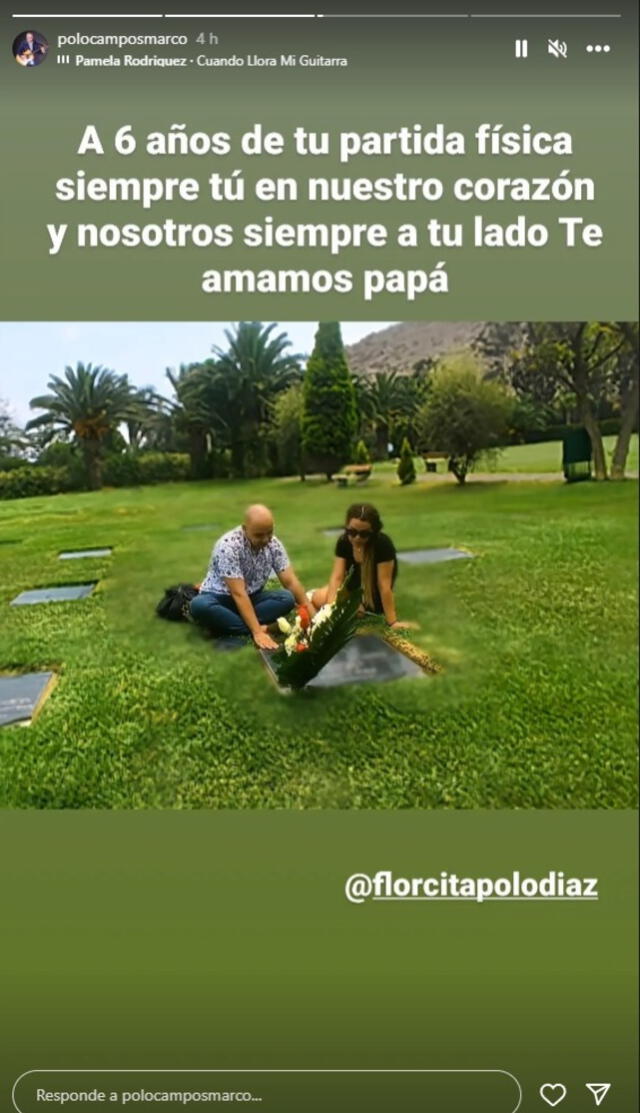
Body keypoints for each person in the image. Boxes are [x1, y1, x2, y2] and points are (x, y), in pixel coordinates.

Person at [190, 504, 314, 649]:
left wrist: (314, 617)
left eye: (270, 532)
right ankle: (258, 627)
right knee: (199, 605)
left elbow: (291, 582)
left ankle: (226, 624)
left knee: (286, 598)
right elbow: (238, 593)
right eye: (259, 535)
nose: (266, 539)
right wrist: (258, 632)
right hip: (220, 598)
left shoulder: (273, 545)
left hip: (252, 598)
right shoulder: (228, 547)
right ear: (244, 529)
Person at [311, 503, 411, 630]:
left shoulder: (383, 545)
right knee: (317, 598)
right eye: (352, 532)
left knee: (353, 611)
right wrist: (331, 612)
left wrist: (392, 622)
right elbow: (337, 577)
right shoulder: (344, 542)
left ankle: (353, 605)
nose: (357, 538)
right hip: (352, 590)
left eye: (363, 534)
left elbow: (384, 585)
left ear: (373, 533)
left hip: (372, 597)